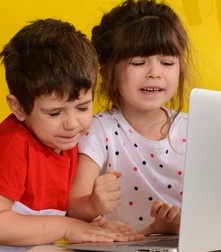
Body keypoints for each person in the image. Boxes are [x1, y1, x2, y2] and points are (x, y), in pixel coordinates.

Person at [0, 18, 141, 252]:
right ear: (19, 107)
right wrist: (69, 228)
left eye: (82, 107)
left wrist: (94, 218)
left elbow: (57, 208)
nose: (71, 123)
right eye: (54, 113)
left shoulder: (62, 139)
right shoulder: (12, 145)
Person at [68, 0, 196, 236]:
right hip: (126, 250)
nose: (154, 72)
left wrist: (175, 227)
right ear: (107, 74)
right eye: (138, 62)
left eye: (167, 62)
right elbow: (73, 207)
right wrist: (94, 203)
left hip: (188, 248)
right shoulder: (100, 130)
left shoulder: (195, 128)